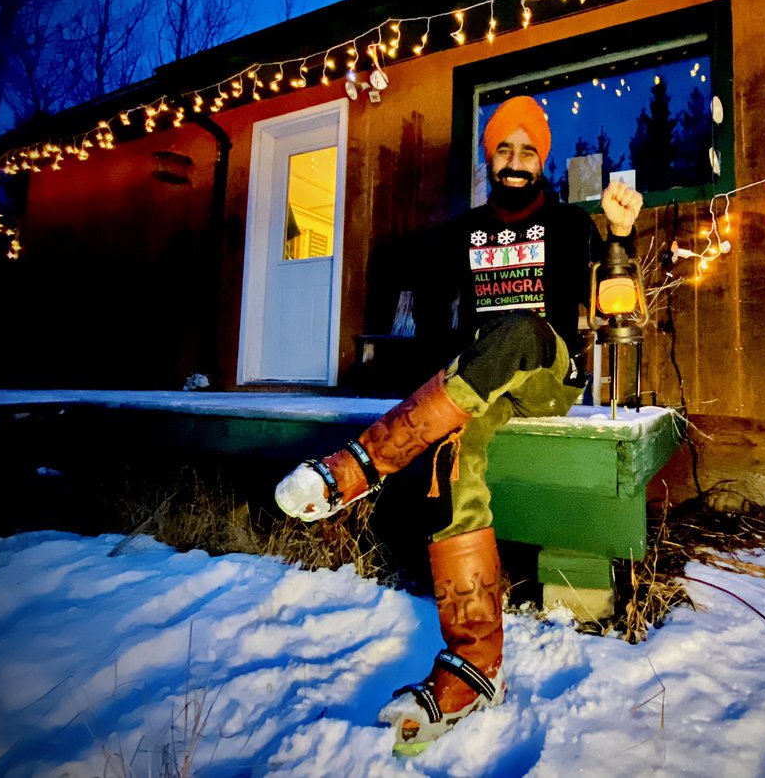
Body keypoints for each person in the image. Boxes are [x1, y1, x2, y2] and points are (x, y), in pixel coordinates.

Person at [275, 95, 643, 754]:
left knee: (521, 330)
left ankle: (363, 463)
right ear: (489, 156)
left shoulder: (570, 225)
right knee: (453, 456)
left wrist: (618, 233)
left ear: (543, 159)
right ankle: (475, 665)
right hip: (479, 387)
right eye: (504, 148)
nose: (516, 161)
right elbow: (420, 302)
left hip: (546, 374)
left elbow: (614, 296)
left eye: (529, 150)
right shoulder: (460, 233)